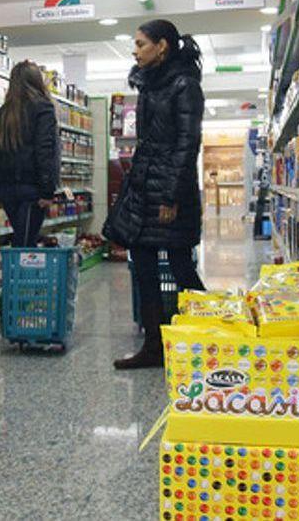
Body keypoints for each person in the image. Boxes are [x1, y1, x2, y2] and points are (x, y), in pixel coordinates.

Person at [103, 19, 206, 370]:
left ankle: (210, 333)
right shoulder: (148, 85)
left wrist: (170, 196)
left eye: (141, 43)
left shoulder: (184, 85)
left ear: (162, 46)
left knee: (180, 266)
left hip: (170, 192)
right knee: (143, 267)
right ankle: (153, 346)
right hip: (145, 187)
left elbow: (187, 143)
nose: (135, 50)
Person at [0, 60, 61, 247]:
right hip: (32, 190)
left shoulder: (3, 112)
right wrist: (47, 190)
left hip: (8, 190)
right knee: (26, 243)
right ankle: (19, 275)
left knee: (22, 239)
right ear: (37, 82)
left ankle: (16, 274)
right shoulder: (43, 108)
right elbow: (44, 150)